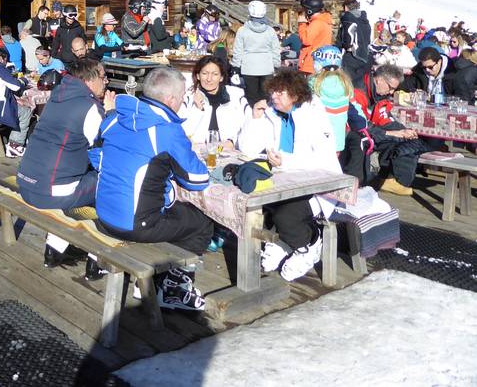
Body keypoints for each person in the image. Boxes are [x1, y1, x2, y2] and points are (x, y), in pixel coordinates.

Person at [94, 66, 213, 310]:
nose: (182, 103)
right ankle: (172, 288)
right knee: (202, 222)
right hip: (135, 224)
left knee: (172, 210)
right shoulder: (166, 130)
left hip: (104, 214)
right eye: (182, 97)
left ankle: (158, 280)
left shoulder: (115, 118)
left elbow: (97, 156)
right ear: (170, 99)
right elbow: (197, 179)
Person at [237, 69, 341, 281]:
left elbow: (323, 159)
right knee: (254, 203)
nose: (274, 97)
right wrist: (255, 118)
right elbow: (247, 148)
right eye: (272, 92)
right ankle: (283, 241)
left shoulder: (313, 115)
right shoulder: (270, 112)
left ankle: (309, 243)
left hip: (318, 186)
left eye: (280, 92)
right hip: (280, 180)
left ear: (295, 94)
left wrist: (286, 161)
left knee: (286, 215)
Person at [17, 58, 115, 268]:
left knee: (80, 174)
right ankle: (97, 260)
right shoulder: (89, 107)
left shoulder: (57, 97)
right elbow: (107, 152)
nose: (106, 81)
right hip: (50, 192)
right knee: (112, 182)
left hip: (26, 182)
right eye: (103, 76)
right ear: (89, 80)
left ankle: (55, 249)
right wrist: (111, 114)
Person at [351, 63, 427, 194]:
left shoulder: (379, 93)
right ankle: (389, 179)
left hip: (373, 130)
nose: (391, 92)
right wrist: (391, 133)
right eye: (390, 88)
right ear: (379, 80)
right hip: (357, 134)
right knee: (395, 139)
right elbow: (361, 125)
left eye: (394, 89)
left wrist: (403, 131)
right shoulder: (358, 92)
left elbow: (384, 118)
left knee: (410, 139)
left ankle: (391, 178)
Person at [180, 55, 248, 148]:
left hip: (228, 151)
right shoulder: (188, 98)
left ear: (221, 77)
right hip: (197, 151)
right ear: (198, 76)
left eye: (215, 74)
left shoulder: (236, 95)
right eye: (204, 73)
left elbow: (247, 125)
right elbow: (182, 132)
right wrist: (198, 109)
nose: (209, 79)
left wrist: (233, 141)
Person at [231, 0, 280, 105]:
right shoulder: (270, 31)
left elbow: (238, 51)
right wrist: (276, 65)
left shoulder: (242, 30)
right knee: (266, 99)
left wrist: (235, 67)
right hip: (267, 68)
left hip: (248, 68)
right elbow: (276, 50)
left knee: (251, 98)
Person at [337, 0, 372, 85]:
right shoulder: (364, 20)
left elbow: (348, 35)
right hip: (364, 55)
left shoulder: (348, 17)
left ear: (346, 7)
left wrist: (346, 46)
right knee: (359, 84)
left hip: (352, 55)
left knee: (346, 82)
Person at [297, 0, 333, 74]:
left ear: (309, 11)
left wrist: (301, 24)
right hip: (320, 60)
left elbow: (306, 40)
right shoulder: (323, 21)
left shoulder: (316, 23)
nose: (304, 12)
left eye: (305, 9)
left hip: (311, 62)